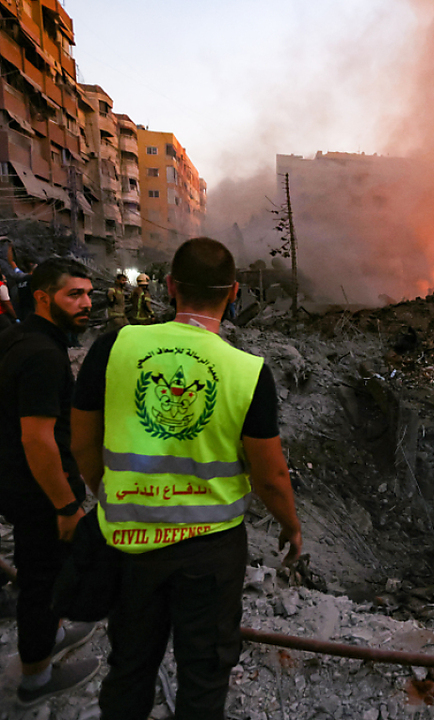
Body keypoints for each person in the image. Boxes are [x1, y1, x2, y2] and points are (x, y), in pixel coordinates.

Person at [72, 237, 302, 720]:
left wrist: (112, 494)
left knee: (130, 664)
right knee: (204, 674)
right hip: (209, 552)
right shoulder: (246, 371)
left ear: (170, 286)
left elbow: (82, 444)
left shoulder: (115, 345)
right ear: (234, 292)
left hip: (127, 539)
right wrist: (290, 526)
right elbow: (271, 475)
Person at [0, 258, 99, 707]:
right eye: (73, 295)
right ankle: (35, 679)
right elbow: (38, 438)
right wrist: (64, 506)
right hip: (42, 491)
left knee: (51, 572)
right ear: (43, 297)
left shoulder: (20, 338)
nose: (86, 303)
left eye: (88, 293)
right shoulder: (42, 355)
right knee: (41, 582)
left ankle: (56, 634)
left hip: (21, 483)